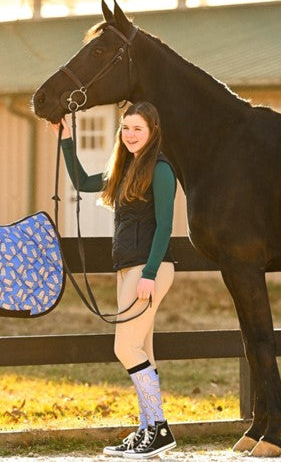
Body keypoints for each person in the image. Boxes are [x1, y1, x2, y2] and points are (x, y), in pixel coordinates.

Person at [51, 101, 177, 459]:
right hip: (128, 269)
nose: (131, 134)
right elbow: (83, 181)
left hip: (148, 269)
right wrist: (67, 140)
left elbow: (165, 226)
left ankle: (160, 429)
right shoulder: (125, 168)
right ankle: (148, 430)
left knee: (124, 348)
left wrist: (150, 275)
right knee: (142, 351)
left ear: (152, 132)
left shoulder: (161, 169)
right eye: (126, 128)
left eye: (138, 128)